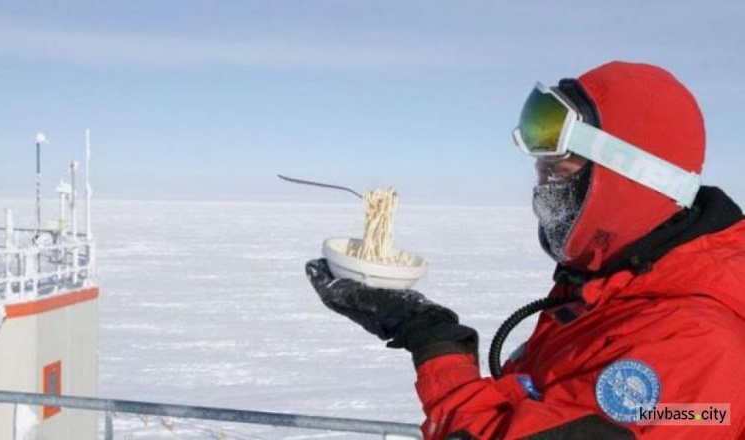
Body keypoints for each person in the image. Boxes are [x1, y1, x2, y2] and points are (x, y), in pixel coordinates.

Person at [305, 61, 745, 439]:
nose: (541, 177)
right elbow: (538, 407)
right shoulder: (612, 288)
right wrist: (428, 328)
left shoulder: (693, 349)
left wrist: (435, 345)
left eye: (558, 163)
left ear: (629, 176)